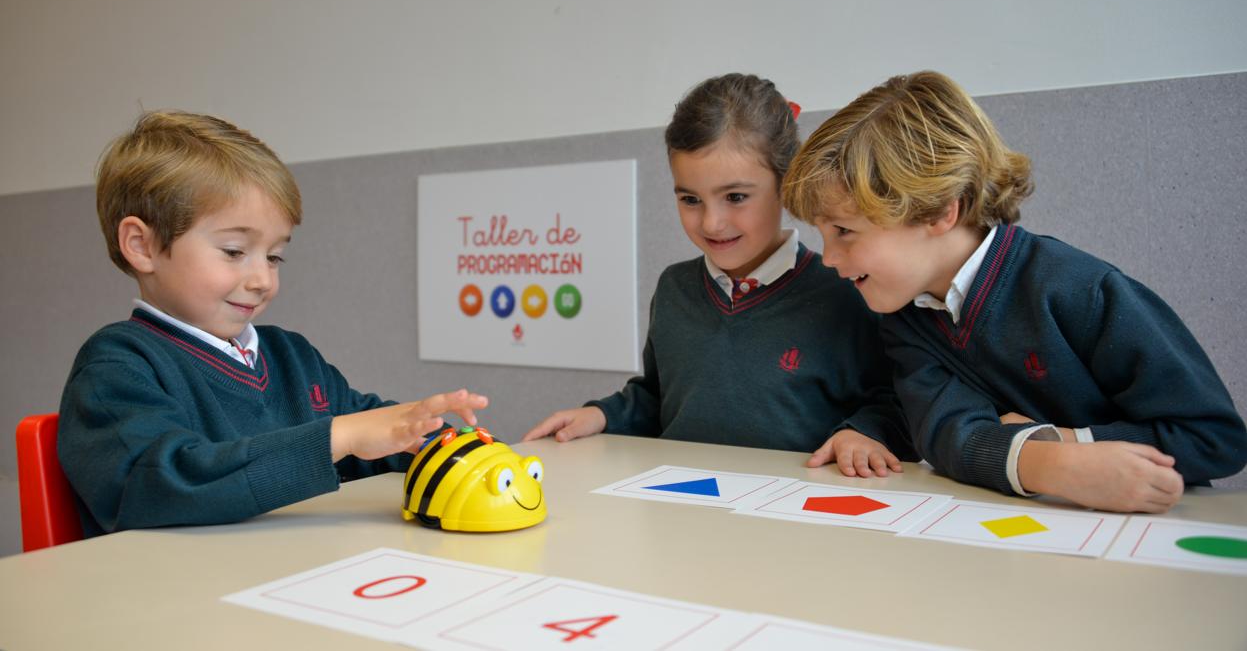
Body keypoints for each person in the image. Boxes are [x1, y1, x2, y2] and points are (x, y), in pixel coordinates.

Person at [782, 70, 1247, 512]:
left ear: (940, 212)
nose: (828, 258)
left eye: (844, 231)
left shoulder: (1080, 290)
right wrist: (1042, 463)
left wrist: (1063, 445)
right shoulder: (907, 316)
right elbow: (947, 433)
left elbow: (1214, 437)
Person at [59, 110, 488, 536]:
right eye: (233, 251)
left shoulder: (290, 355)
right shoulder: (116, 368)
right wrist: (336, 438)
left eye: (274, 256)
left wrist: (460, 453)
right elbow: (160, 483)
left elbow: (373, 433)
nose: (263, 279)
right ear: (143, 246)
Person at [524, 73, 914, 476]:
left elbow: (895, 402)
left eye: (736, 197)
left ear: (787, 183)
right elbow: (660, 396)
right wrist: (602, 416)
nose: (712, 222)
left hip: (789, 516)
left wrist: (864, 432)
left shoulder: (845, 290)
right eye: (690, 199)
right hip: (679, 507)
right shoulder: (674, 288)